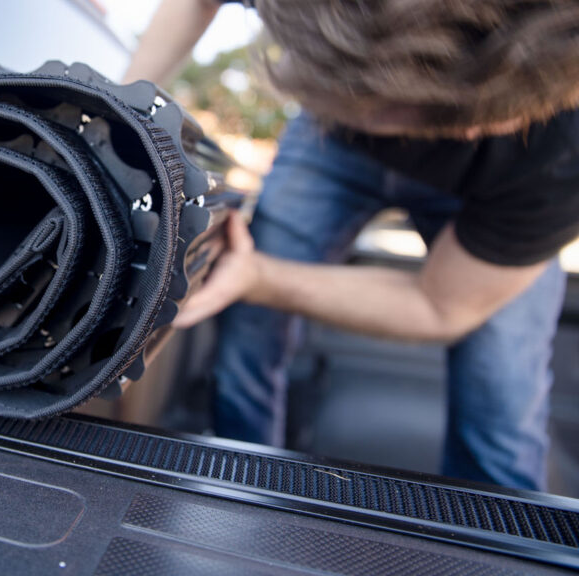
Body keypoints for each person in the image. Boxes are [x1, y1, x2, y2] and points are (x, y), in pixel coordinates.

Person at [125, 0, 579, 491]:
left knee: (502, 390)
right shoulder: (337, 70)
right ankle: (245, 483)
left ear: (477, 126)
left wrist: (259, 277)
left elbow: (440, 305)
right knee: (249, 331)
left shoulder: (563, 154)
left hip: (512, 169)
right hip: (331, 144)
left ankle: (497, 542)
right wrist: (118, 111)